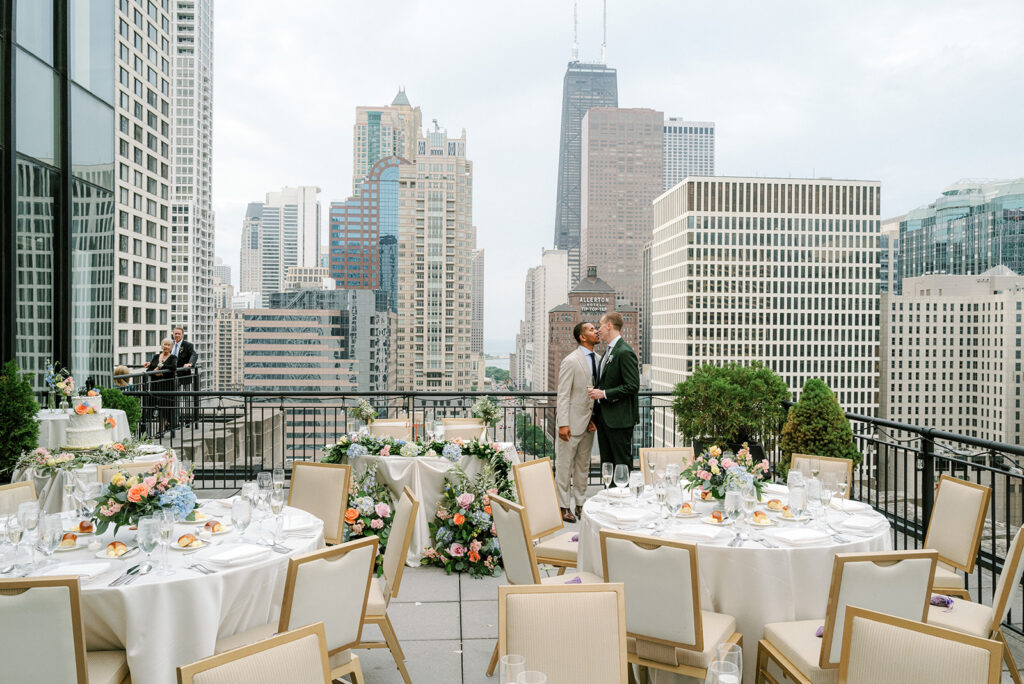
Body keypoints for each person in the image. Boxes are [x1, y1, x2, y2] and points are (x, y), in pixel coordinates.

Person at [555, 321, 600, 522]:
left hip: (589, 424)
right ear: (582, 337)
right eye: (591, 330)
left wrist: (594, 418)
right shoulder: (571, 361)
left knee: (583, 467)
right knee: (564, 467)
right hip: (570, 425)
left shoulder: (599, 360)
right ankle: (563, 506)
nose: (596, 331)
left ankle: (581, 505)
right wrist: (563, 423)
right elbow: (563, 395)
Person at [588, 312, 639, 469]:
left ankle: (623, 493)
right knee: (607, 465)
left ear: (609, 325)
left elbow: (632, 385)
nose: (598, 330)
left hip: (619, 421)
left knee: (621, 464)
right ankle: (610, 493)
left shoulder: (624, 352)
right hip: (605, 420)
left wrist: (603, 394)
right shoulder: (609, 352)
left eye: (600, 326)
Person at [144, 338, 178, 435]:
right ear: (161, 345)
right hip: (155, 386)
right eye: (164, 344)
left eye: (168, 345)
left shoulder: (173, 357)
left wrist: (161, 369)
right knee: (156, 407)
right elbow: (149, 371)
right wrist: (156, 372)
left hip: (166, 387)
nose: (166, 347)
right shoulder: (155, 356)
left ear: (171, 347)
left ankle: (161, 429)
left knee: (165, 407)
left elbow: (173, 368)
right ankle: (162, 427)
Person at [170, 326, 198, 423]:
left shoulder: (187, 345)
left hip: (184, 374)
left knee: (186, 399)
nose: (177, 335)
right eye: (175, 333)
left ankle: (187, 420)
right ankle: (175, 421)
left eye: (179, 333)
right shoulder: (170, 345)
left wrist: (190, 364)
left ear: (182, 335)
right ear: (173, 334)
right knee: (174, 398)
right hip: (172, 376)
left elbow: (194, 354)